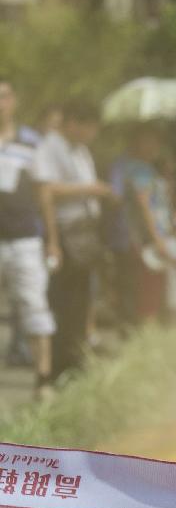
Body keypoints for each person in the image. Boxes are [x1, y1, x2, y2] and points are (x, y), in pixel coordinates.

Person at [35, 100, 116, 379]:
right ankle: (61, 365)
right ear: (72, 123)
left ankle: (77, 359)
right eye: (89, 127)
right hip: (65, 232)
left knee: (82, 300)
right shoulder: (50, 147)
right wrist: (53, 242)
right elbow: (46, 192)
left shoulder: (80, 150)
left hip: (85, 232)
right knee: (64, 302)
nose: (92, 134)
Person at [0, 79, 55, 398]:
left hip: (25, 240)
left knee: (34, 306)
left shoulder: (32, 143)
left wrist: (52, 240)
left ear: (14, 101)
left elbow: (44, 192)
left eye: (4, 97)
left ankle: (43, 379)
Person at [107, 124, 172, 325]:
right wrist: (156, 238)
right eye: (148, 141)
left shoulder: (143, 167)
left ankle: (143, 325)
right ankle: (144, 327)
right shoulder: (137, 169)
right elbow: (144, 206)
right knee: (145, 285)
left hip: (145, 236)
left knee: (145, 285)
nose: (153, 146)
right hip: (142, 238)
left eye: (156, 141)